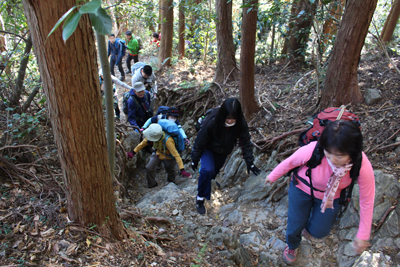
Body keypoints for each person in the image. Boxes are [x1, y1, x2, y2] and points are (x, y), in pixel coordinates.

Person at [265, 120, 375, 265]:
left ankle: (307, 225)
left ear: (353, 153)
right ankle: (292, 246)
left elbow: (367, 200)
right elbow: (289, 162)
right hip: (301, 189)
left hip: (331, 197)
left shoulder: (361, 165)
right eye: (328, 153)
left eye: (340, 156)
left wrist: (363, 234)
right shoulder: (313, 150)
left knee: (319, 232)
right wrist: (272, 176)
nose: (332, 159)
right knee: (295, 224)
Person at [191, 98, 261, 215]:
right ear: (223, 115)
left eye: (233, 118)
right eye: (228, 118)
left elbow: (245, 142)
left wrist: (250, 163)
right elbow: (199, 141)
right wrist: (194, 158)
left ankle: (208, 180)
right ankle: (200, 198)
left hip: (224, 151)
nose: (230, 121)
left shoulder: (240, 123)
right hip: (208, 148)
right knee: (207, 169)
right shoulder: (213, 121)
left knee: (214, 171)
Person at [127, 123, 192, 188]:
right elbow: (142, 143)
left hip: (169, 157)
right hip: (158, 153)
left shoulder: (168, 141)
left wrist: (182, 169)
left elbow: (176, 155)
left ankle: (171, 184)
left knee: (170, 170)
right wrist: (133, 152)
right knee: (149, 167)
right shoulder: (151, 135)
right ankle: (152, 184)